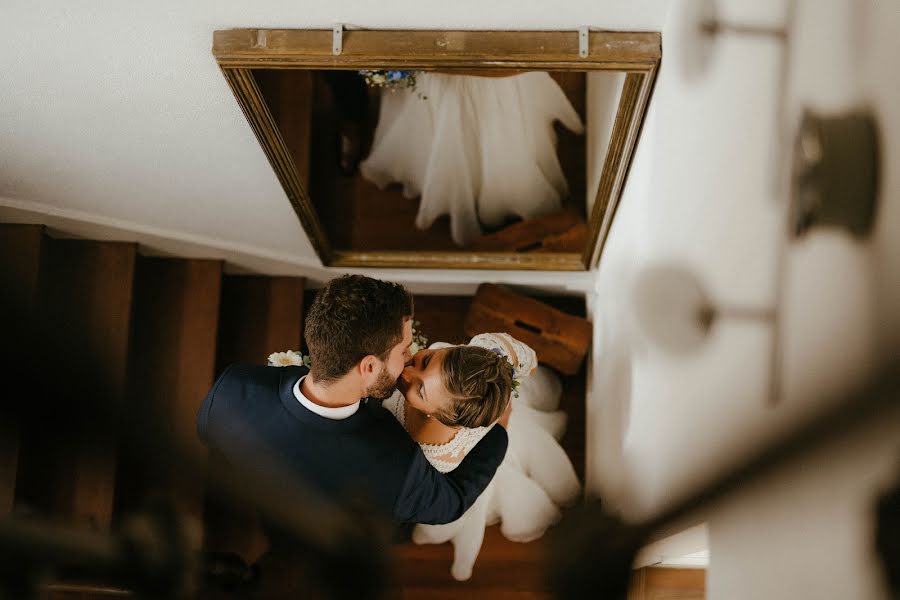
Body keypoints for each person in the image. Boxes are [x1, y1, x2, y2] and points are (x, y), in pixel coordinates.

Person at [196, 274, 509, 530]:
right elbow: (450, 505)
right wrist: (495, 431)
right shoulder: (396, 469)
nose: (410, 356)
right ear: (369, 367)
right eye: (403, 351)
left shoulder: (231, 390)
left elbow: (208, 434)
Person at [383, 332, 581, 580]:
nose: (407, 374)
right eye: (427, 360)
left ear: (442, 417)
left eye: (421, 391)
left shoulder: (429, 450)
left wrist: (501, 415)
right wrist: (507, 381)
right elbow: (530, 364)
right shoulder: (485, 351)